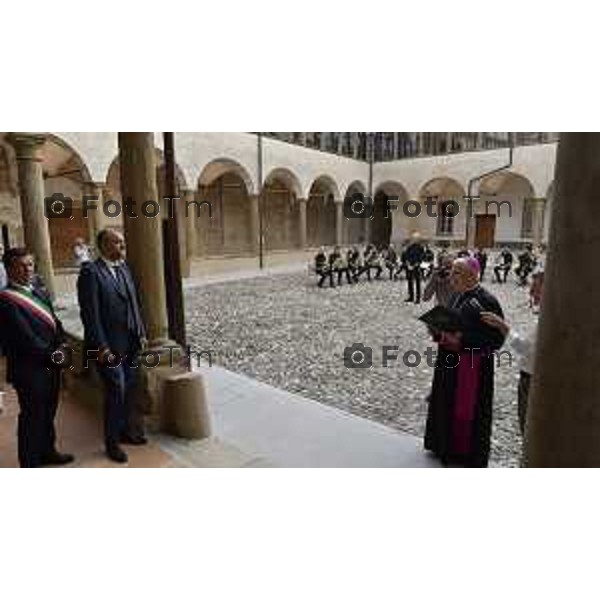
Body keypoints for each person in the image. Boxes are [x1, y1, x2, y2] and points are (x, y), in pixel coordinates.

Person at [424, 257, 506, 467]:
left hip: (471, 367)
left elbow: (496, 340)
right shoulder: (455, 296)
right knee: (444, 400)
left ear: (473, 275)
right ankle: (441, 444)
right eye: (452, 271)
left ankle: (461, 454)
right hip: (449, 360)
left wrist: (461, 340)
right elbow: (449, 324)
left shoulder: (487, 301)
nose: (451, 276)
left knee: (463, 411)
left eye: (457, 272)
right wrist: (437, 330)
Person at [77, 228, 147, 464]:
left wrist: (141, 333)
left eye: (123, 243)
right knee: (116, 389)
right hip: (107, 347)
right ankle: (111, 442)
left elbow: (133, 303)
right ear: (103, 246)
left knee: (128, 389)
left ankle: (127, 431)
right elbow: (90, 315)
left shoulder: (124, 268)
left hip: (130, 342)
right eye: (117, 243)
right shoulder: (91, 272)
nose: (122, 247)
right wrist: (101, 347)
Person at [0, 248, 74, 467]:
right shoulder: (5, 300)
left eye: (30, 264)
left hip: (50, 365)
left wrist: (61, 343)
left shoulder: (39, 291)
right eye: (22, 265)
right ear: (9, 269)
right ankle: (30, 462)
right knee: (32, 417)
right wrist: (54, 355)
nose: (28, 269)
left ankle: (47, 451)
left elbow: (55, 322)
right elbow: (25, 337)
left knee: (49, 412)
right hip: (29, 370)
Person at [481, 270, 544, 435]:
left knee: (529, 428)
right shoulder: (544, 315)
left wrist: (503, 326)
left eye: (535, 288)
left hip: (532, 380)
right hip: (530, 377)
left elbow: (524, 348)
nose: (530, 292)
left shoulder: (548, 320)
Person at [404, 233, 425, 304]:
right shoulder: (409, 247)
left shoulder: (420, 247)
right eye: (413, 238)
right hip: (409, 266)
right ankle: (411, 297)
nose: (414, 240)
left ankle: (418, 298)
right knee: (410, 282)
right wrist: (408, 264)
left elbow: (422, 257)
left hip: (417, 267)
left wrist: (417, 264)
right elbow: (406, 256)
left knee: (417, 283)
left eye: (416, 238)